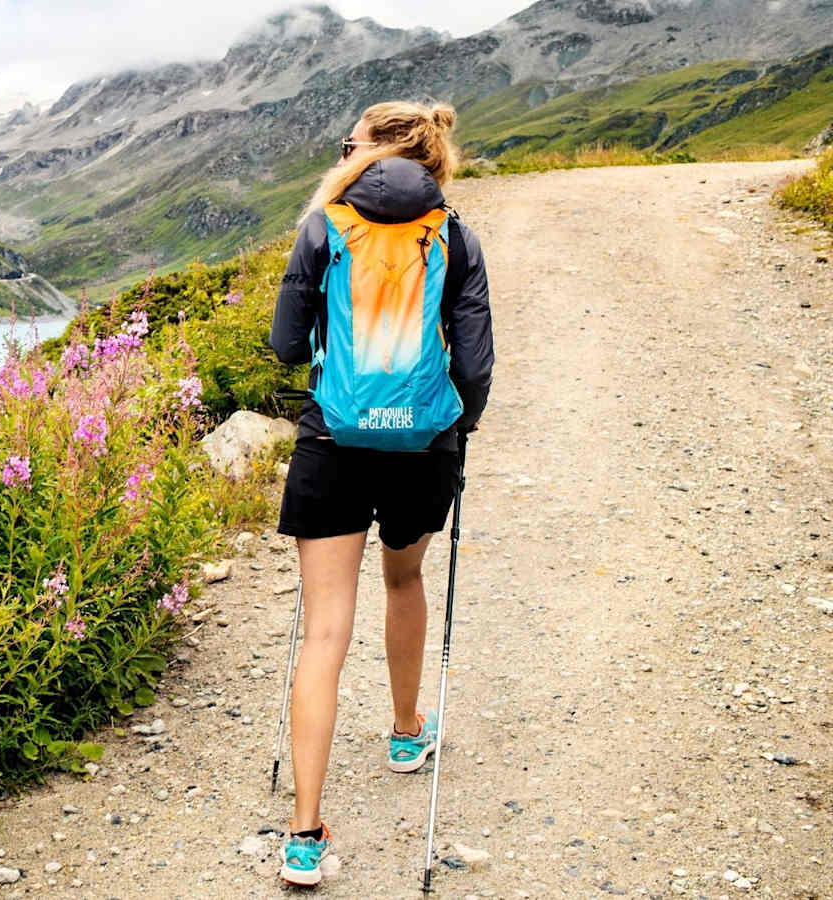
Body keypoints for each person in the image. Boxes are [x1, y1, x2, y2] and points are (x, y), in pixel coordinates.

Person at [266, 100, 494, 887]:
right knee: (405, 578)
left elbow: (287, 344)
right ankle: (404, 733)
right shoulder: (454, 235)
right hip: (423, 445)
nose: (343, 151)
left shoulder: (324, 226)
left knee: (324, 630)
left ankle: (303, 835)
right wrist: (457, 431)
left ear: (374, 151)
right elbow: (474, 363)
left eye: (349, 143)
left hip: (332, 440)